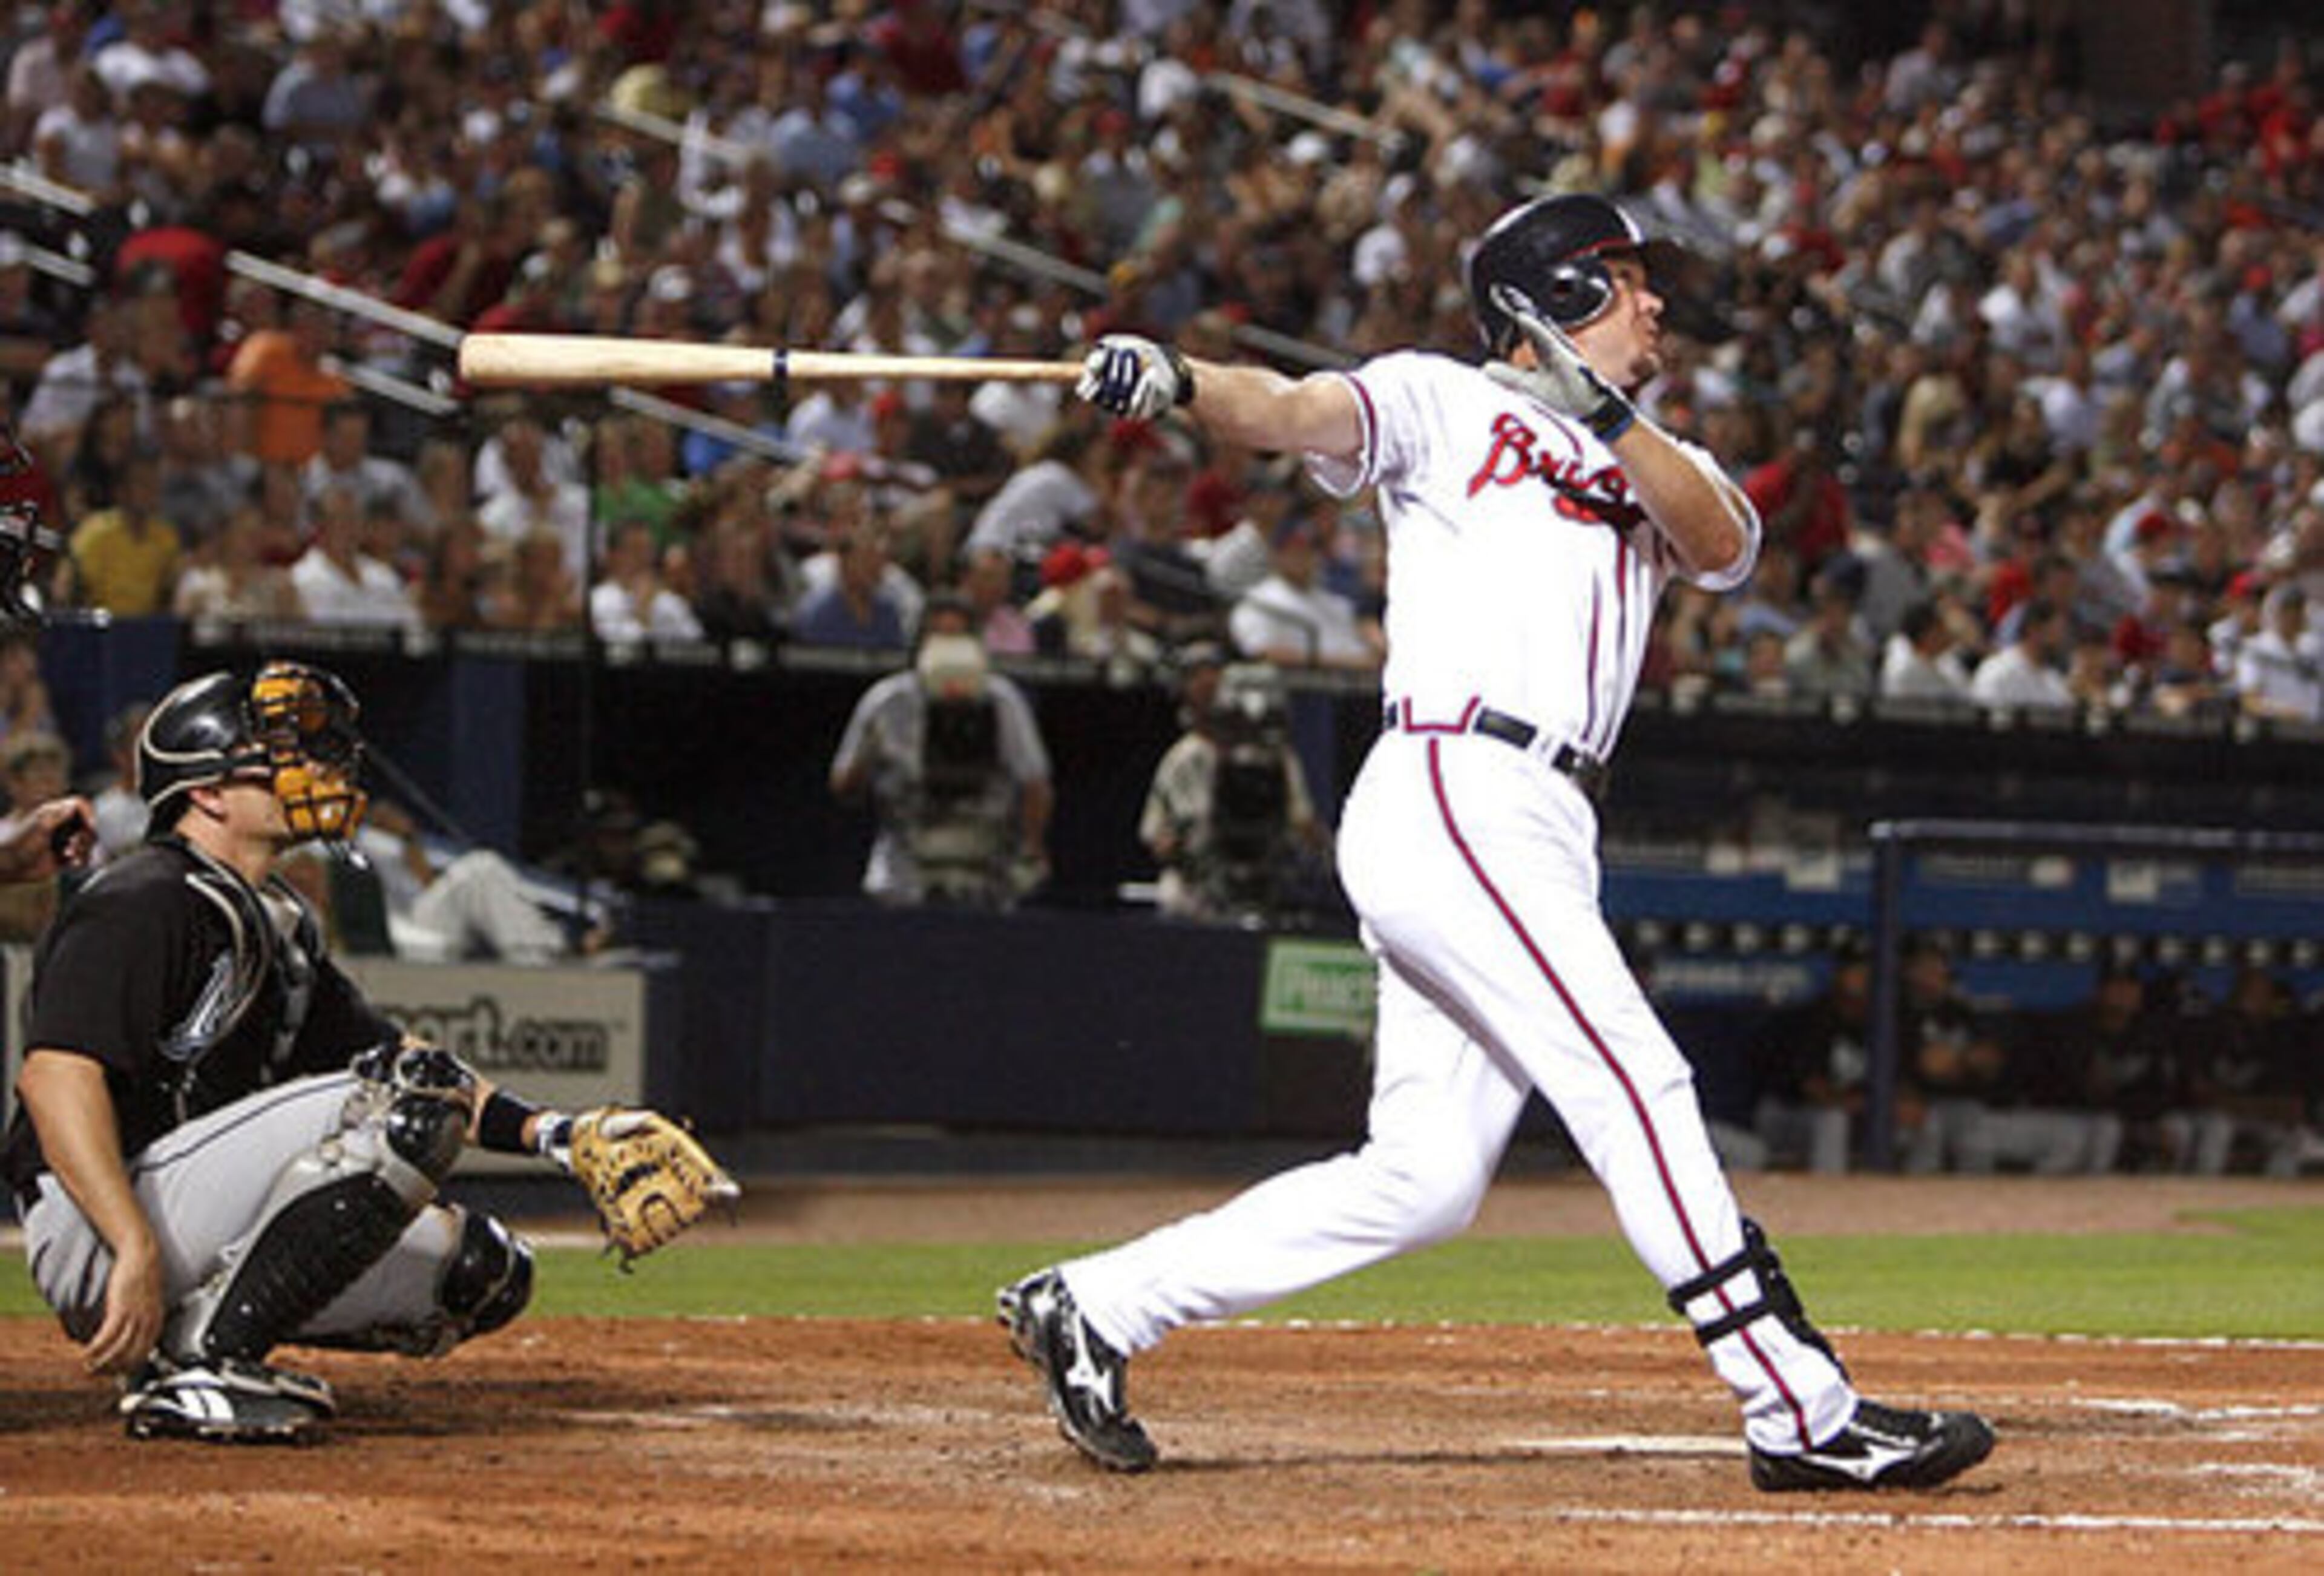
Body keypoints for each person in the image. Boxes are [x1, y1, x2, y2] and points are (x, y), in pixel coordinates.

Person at [996, 191, 1993, 1492]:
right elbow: (1295, 410)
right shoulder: (1440, 400)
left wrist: (1608, 410)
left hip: (1538, 816)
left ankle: (1101, 1305)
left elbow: (1722, 545)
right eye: (1625, 280)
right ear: (1551, 299)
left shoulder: (1651, 451)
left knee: (1424, 1181)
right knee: (1637, 1080)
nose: (1656, 304)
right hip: (1459, 784)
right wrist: (1178, 379)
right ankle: (1796, 1407)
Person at [0, 662, 688, 1443]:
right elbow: (53, 1079)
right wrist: (129, 1244)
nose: (311, 771)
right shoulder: (145, 895)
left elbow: (394, 1049)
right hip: (105, 1218)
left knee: (483, 1272)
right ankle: (207, 1358)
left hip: (180, 1212)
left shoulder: (274, 917)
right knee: (408, 1103)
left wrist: (554, 1135)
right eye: (278, 757)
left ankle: (188, 1339)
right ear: (209, 792)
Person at [829, 594, 1052, 908]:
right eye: (939, 637)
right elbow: (844, 783)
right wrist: (867, 759)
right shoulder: (888, 701)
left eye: (957, 638)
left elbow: (1035, 781)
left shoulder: (1002, 701)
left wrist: (1032, 846)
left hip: (985, 869)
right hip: (905, 871)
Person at [1139, 658, 1325, 924]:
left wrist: (1314, 842)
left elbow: (1304, 824)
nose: (1247, 737)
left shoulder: (1280, 759)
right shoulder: (1188, 758)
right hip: (1198, 889)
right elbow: (1158, 838)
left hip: (1269, 884)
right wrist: (1182, 843)